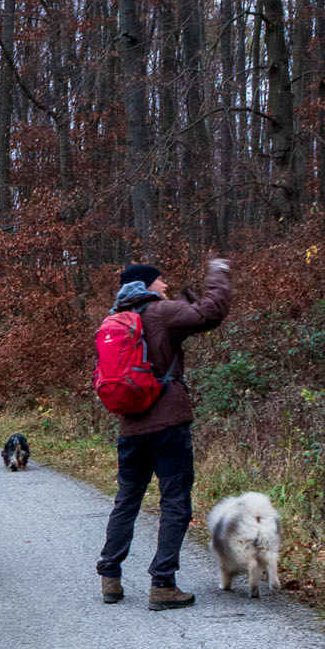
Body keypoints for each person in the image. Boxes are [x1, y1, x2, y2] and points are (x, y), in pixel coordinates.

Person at [96, 258, 232, 610]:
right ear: (146, 285)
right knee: (174, 502)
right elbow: (211, 314)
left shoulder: (116, 319)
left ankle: (110, 576)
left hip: (130, 426)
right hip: (168, 426)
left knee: (127, 500)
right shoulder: (160, 313)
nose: (166, 286)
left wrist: (187, 297)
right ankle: (163, 584)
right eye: (161, 281)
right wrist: (218, 272)